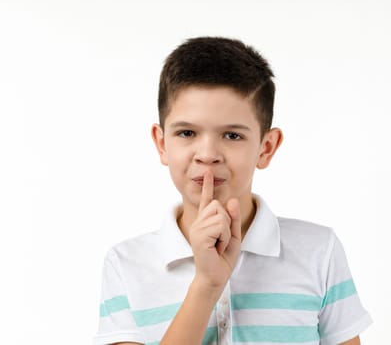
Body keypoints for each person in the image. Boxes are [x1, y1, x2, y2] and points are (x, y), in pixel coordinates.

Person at [94, 37, 372, 345]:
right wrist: (206, 286)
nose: (208, 153)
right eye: (187, 133)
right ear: (162, 144)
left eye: (232, 135)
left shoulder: (320, 252)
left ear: (266, 148)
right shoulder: (127, 264)